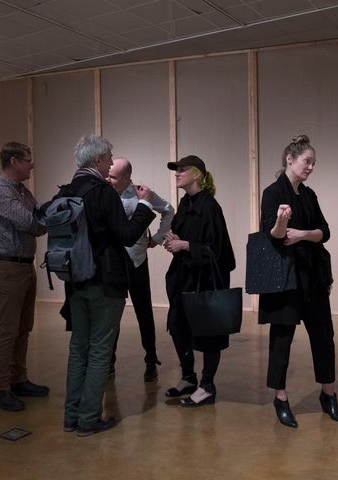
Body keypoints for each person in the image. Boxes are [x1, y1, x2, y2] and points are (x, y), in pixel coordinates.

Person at [61, 135, 156, 436]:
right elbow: (127, 235)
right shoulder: (102, 191)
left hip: (75, 282)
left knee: (79, 348)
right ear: (98, 159)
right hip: (104, 281)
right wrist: (144, 206)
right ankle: (89, 418)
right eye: (110, 157)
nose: (112, 162)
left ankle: (71, 416)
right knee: (100, 349)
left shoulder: (68, 190)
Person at [258, 135, 338, 428]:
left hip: (313, 277)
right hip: (285, 279)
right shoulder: (272, 193)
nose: (310, 167)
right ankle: (280, 397)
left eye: (313, 163)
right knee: (281, 340)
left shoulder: (309, 195)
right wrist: (282, 223)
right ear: (290, 159)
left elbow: (325, 232)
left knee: (324, 336)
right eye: (307, 161)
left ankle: (328, 394)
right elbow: (272, 234)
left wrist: (302, 235)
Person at [0, 141, 48, 412]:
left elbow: (41, 223)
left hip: (24, 266)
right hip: (8, 268)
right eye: (28, 160)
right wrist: (39, 220)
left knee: (23, 328)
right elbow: (29, 221)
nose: (32, 164)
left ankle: (18, 379)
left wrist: (40, 220)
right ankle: (1, 388)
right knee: (7, 330)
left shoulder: (21, 190)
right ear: (14, 161)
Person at [163, 155, 235, 407]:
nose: (177, 173)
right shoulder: (185, 203)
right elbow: (182, 235)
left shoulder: (210, 207)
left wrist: (185, 245)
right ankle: (188, 378)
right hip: (184, 278)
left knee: (209, 333)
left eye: (182, 169)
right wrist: (173, 240)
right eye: (176, 170)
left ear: (196, 174)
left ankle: (207, 386)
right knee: (177, 326)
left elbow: (218, 250)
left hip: (206, 280)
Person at [107, 157, 174, 382]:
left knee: (143, 311)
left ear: (127, 177)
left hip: (136, 260)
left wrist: (157, 237)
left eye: (114, 176)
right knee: (111, 313)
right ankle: (108, 361)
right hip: (112, 261)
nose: (109, 179)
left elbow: (168, 210)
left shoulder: (141, 193)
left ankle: (151, 359)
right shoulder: (105, 192)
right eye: (108, 175)